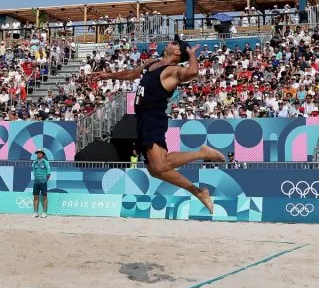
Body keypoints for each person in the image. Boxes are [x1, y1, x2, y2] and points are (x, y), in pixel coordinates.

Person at [89, 38, 224, 214]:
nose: (170, 43)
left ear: (177, 52)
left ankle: (202, 156)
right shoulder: (152, 63)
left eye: (175, 43)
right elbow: (132, 74)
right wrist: (109, 75)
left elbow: (192, 73)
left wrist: (191, 54)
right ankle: (199, 192)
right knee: (155, 170)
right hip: (142, 118)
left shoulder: (172, 70)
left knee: (159, 166)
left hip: (153, 117)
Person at [31, 149, 50, 218]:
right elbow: (34, 171)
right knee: (35, 197)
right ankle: (35, 212)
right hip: (36, 182)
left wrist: (44, 180)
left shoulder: (46, 162)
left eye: (40, 153)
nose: (39, 154)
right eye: (38, 153)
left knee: (44, 197)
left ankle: (44, 212)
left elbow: (48, 173)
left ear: (43, 154)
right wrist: (37, 179)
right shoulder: (34, 162)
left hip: (43, 183)